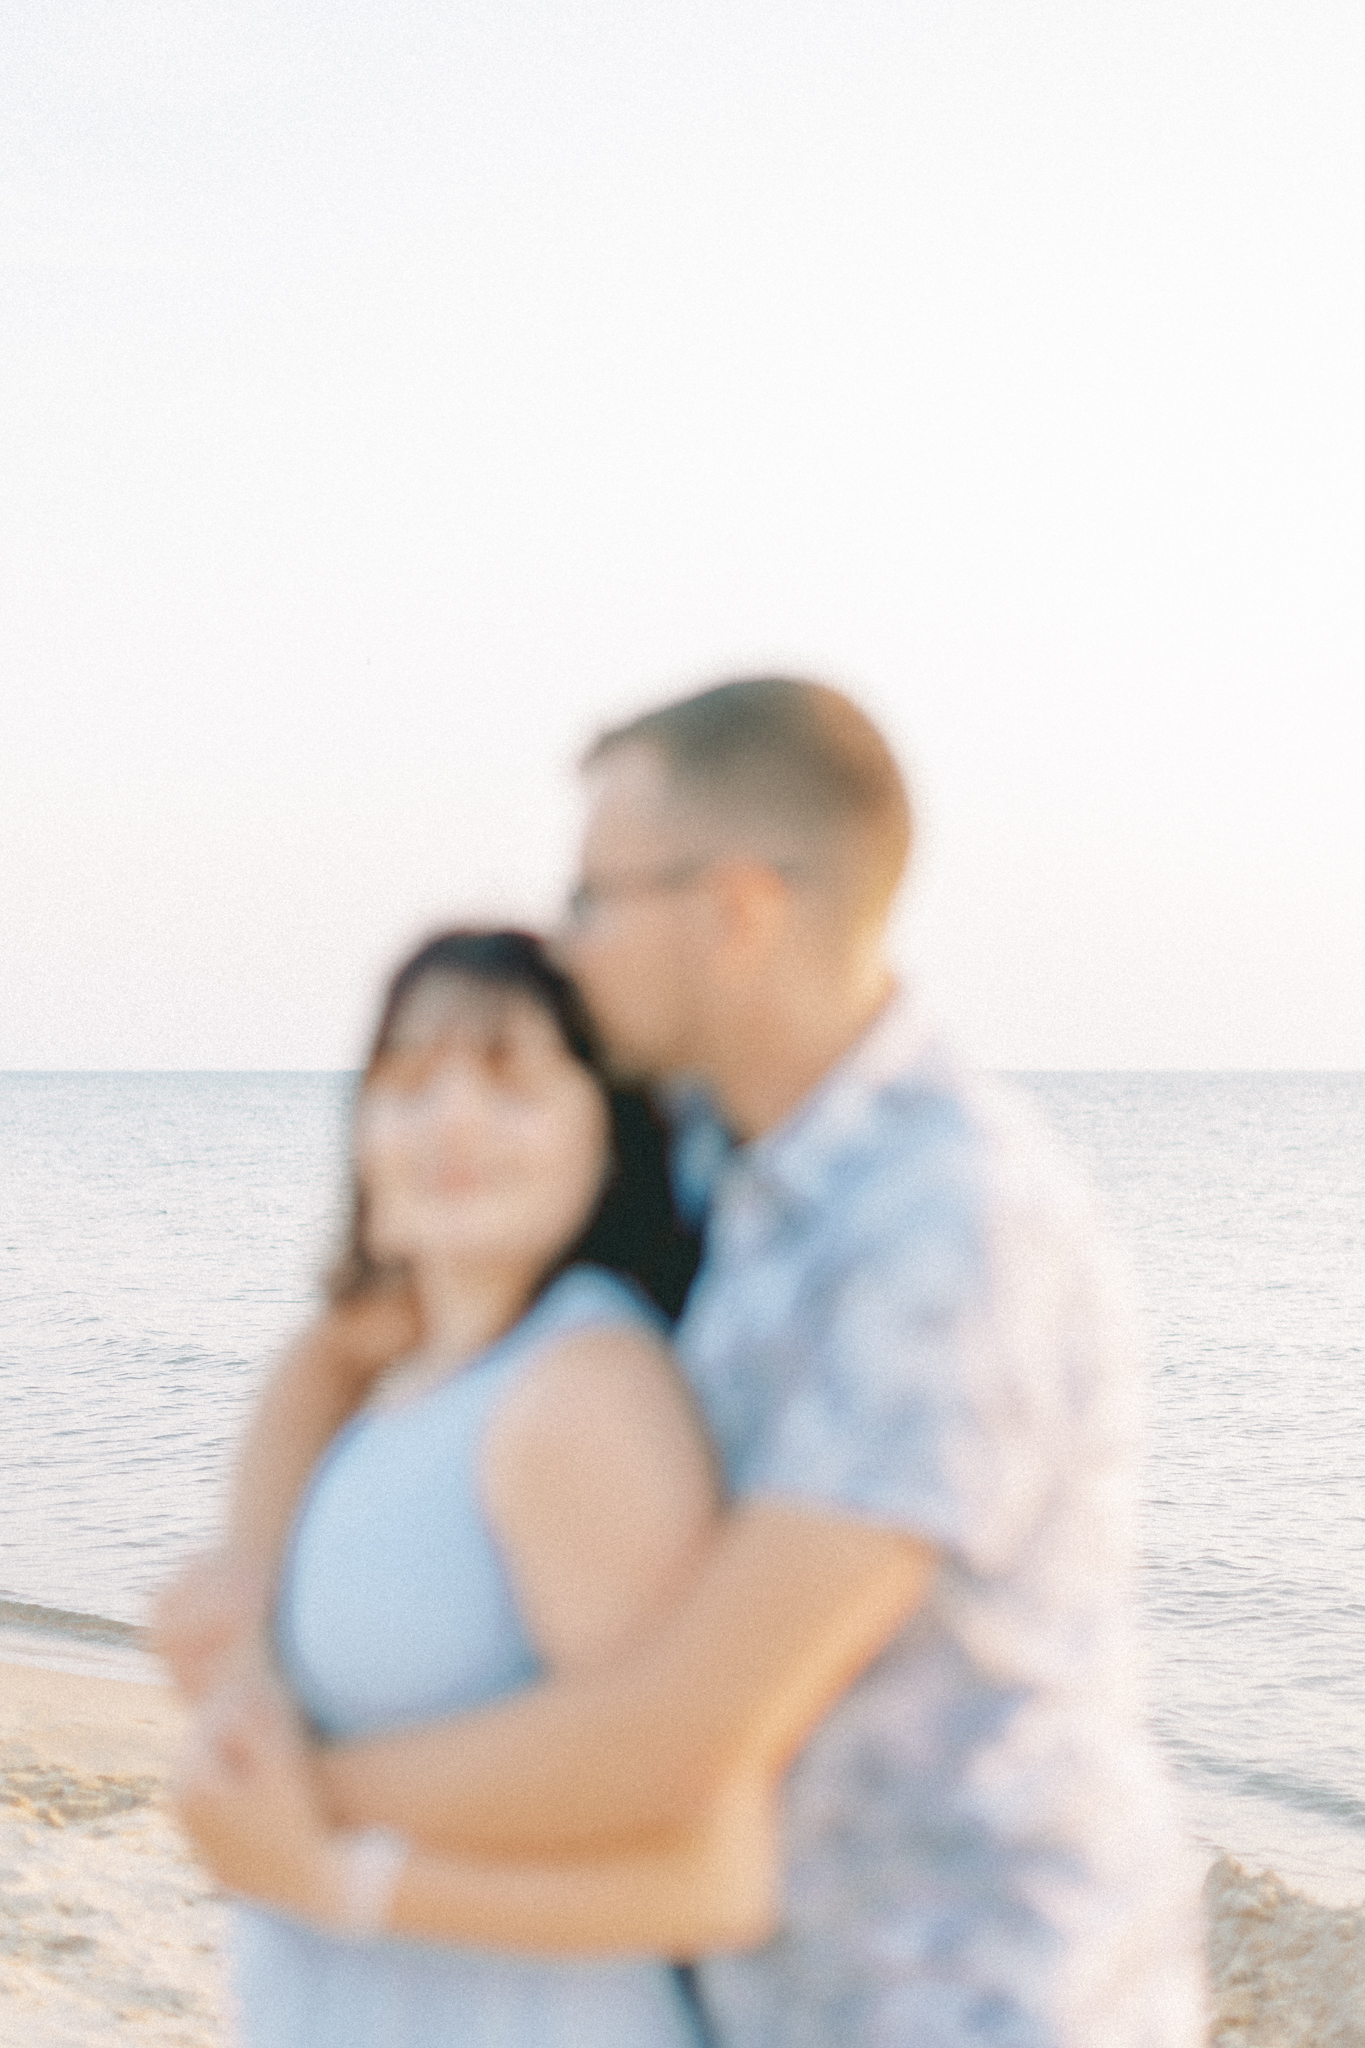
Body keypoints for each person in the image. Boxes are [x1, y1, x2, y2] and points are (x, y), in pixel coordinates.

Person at [165, 677, 1207, 2047]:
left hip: (970, 1996)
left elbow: (679, 1735)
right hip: (767, 1991)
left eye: (597, 897)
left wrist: (297, 1801)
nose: (570, 939)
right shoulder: (714, 1153)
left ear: (736, 911)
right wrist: (246, 1599)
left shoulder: (948, 1236)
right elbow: (351, 1337)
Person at [181, 925, 807, 2048]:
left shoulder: (579, 1395)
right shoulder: (407, 1379)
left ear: (603, 1134)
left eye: (509, 1078)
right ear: (364, 1130)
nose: (453, 1116)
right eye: (409, 1079)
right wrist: (244, 1642)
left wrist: (339, 1877)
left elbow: (716, 1874)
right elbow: (322, 1352)